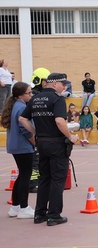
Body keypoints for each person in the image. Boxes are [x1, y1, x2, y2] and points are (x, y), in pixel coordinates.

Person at [19, 73, 79, 226]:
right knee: (58, 179)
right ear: (54, 84)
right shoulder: (57, 99)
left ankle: (39, 214)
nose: (64, 87)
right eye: (62, 84)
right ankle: (54, 215)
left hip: (42, 143)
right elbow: (59, 121)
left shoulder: (35, 98)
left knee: (44, 178)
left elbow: (22, 118)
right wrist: (71, 136)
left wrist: (35, 132)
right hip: (56, 144)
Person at [3, 82, 35, 219]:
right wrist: (34, 142)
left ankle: (15, 206)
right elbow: (25, 129)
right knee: (25, 176)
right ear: (21, 95)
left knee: (22, 175)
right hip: (23, 146)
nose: (31, 95)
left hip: (16, 145)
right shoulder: (22, 108)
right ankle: (23, 207)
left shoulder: (16, 105)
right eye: (29, 93)